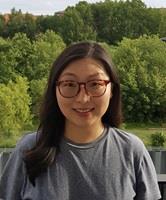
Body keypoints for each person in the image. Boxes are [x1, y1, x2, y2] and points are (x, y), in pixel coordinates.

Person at [0, 41, 161, 200]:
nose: (83, 98)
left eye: (95, 84)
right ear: (54, 90)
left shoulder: (131, 150)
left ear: (112, 89)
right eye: (70, 84)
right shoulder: (29, 149)